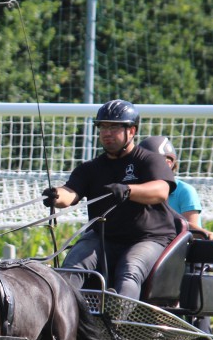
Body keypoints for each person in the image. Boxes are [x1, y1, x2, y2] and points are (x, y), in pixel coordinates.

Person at [42, 100, 177, 299]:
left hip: (148, 238)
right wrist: (56, 195)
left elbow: (160, 190)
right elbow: (70, 193)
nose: (106, 132)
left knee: (129, 270)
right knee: (71, 269)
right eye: (102, 127)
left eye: (113, 127)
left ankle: (118, 323)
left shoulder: (149, 160)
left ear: (131, 131)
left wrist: (128, 190)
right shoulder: (90, 168)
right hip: (103, 238)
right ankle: (62, 323)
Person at [138, 135, 213, 242]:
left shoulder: (185, 191)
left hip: (178, 254)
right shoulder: (139, 191)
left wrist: (206, 234)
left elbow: (190, 233)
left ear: (168, 164)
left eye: (148, 163)